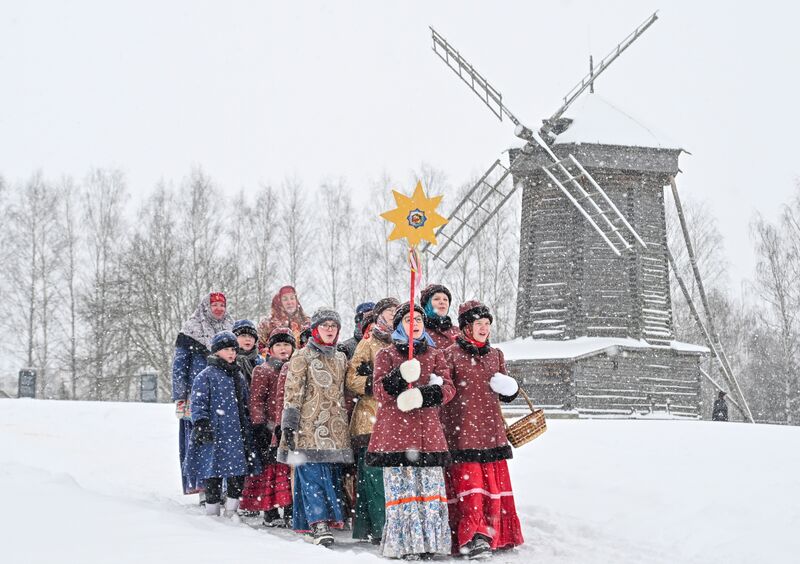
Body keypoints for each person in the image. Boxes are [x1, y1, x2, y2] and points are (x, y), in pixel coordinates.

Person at [367, 302, 455, 560]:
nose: (414, 323)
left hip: (427, 433)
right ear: (399, 326)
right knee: (403, 489)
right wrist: (398, 377)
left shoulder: (435, 354)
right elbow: (379, 391)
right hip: (395, 432)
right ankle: (406, 544)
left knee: (428, 489)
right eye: (408, 320)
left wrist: (424, 395)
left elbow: (448, 388)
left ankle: (429, 542)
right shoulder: (385, 355)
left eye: (418, 319)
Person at [441, 300, 524, 557]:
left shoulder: (496, 355)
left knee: (492, 487)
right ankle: (474, 536)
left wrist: (510, 389)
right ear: (466, 327)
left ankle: (497, 534)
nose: (484, 328)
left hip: (491, 431)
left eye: (487, 323)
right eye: (479, 323)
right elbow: (445, 391)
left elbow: (504, 393)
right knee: (472, 487)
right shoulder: (450, 354)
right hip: (462, 430)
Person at [277, 309, 353, 547]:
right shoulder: (302, 356)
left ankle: (318, 520)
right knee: (311, 477)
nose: (330, 329)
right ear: (315, 329)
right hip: (307, 428)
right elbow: (293, 391)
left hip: (335, 428)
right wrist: (289, 422)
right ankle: (318, 523)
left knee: (329, 478)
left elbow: (348, 390)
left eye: (334, 325)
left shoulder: (341, 358)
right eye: (325, 325)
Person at [185, 331, 261, 518]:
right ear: (216, 351)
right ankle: (212, 512)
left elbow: (245, 404)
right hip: (214, 433)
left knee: (237, 474)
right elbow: (198, 403)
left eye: (234, 350)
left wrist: (249, 425)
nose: (231, 353)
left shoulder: (238, 376)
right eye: (227, 349)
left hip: (236, 434)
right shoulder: (205, 376)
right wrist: (201, 423)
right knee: (213, 474)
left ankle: (231, 510)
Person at [345, 297, 399, 544]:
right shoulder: (368, 343)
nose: (393, 314)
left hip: (397, 418)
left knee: (392, 477)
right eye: (389, 311)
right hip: (370, 418)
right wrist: (373, 383)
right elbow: (351, 379)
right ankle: (377, 527)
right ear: (379, 315)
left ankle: (390, 524)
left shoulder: (404, 343)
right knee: (373, 477)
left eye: (396, 311)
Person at [171, 292, 233, 496]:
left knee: (223, 438)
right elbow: (180, 364)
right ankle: (203, 487)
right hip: (196, 394)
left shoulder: (230, 326)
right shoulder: (191, 330)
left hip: (223, 394)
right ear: (206, 307)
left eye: (222, 305)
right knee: (200, 438)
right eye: (214, 305)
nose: (218, 309)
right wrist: (181, 395)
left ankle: (223, 486)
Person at [240, 327, 296, 525]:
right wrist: (260, 425)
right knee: (271, 471)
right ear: (270, 349)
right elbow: (256, 400)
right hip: (270, 429)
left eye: (286, 344)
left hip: (290, 426)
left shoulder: (296, 368)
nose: (283, 349)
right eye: (278, 345)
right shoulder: (263, 370)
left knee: (289, 471)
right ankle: (270, 512)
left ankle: (290, 510)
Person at [420, 284, 459, 350]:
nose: (442, 302)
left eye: (445, 299)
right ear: (426, 305)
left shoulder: (458, 332)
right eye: (436, 299)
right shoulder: (418, 331)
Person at [232, 319, 264, 387]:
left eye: (251, 336)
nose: (248, 339)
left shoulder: (261, 362)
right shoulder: (228, 360)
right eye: (243, 335)